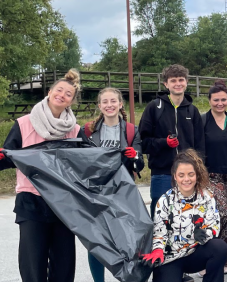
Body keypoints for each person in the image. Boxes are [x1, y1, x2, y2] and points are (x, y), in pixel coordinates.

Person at [0, 69, 91, 282]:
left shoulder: (75, 130)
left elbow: (91, 161)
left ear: (71, 102)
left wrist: (123, 157)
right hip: (31, 202)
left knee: (63, 265)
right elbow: (8, 158)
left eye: (68, 94)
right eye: (59, 90)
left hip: (64, 204)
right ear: (50, 91)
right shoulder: (23, 123)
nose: (62, 95)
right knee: (32, 264)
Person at [83, 87, 145, 282]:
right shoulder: (87, 130)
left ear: (120, 104)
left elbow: (140, 162)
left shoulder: (130, 130)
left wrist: (133, 156)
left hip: (123, 191)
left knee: (127, 238)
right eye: (105, 102)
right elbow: (81, 161)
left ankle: (128, 277)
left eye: (113, 101)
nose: (109, 105)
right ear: (99, 106)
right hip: (96, 192)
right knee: (96, 240)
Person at [140, 149, 227, 282]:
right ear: (175, 176)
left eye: (191, 174)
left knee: (219, 247)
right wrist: (157, 250)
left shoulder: (207, 197)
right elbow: (159, 232)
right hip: (171, 256)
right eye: (181, 175)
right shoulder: (165, 200)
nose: (186, 179)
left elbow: (214, 226)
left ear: (196, 175)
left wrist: (205, 233)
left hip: (195, 252)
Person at [139, 64, 205, 219]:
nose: (178, 83)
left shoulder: (192, 110)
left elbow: (200, 146)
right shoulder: (154, 107)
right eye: (173, 80)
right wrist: (164, 143)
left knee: (187, 218)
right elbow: (143, 142)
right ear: (166, 84)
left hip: (188, 175)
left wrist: (199, 171)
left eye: (181, 80)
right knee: (160, 219)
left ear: (187, 82)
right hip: (162, 174)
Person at [201, 80, 227, 274]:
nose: (220, 103)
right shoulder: (202, 121)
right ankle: (208, 258)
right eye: (216, 100)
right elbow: (197, 151)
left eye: (223, 99)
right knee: (220, 214)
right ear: (209, 100)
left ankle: (226, 259)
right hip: (210, 175)